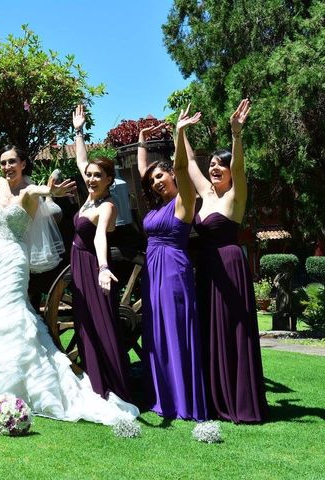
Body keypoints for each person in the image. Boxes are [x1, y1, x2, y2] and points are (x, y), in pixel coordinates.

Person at [0, 122, 139, 426]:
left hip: (15, 259)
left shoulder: (29, 190)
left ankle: (23, 379)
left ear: (23, 164)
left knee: (14, 313)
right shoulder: (1, 186)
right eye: (3, 163)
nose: (6, 167)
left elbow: (42, 190)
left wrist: (51, 190)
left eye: (12, 162)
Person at [183, 99, 268, 423]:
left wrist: (236, 135)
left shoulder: (236, 195)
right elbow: (189, 162)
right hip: (206, 269)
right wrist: (181, 131)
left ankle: (240, 400)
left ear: (231, 171)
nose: (214, 168)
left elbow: (241, 168)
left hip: (230, 268)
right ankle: (216, 400)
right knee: (209, 330)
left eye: (221, 165)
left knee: (232, 332)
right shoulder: (205, 194)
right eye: (213, 164)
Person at [137, 107, 208, 421]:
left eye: (160, 176)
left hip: (174, 271)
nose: (155, 182)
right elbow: (143, 172)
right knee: (157, 333)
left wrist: (179, 133)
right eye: (152, 180)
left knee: (176, 331)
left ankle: (181, 400)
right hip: (152, 274)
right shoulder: (157, 206)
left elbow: (181, 166)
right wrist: (141, 140)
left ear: (173, 177)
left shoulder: (184, 200)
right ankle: (162, 395)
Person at [70, 105, 132, 402]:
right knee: (85, 326)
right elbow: (82, 159)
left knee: (100, 324)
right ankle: (94, 381)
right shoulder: (89, 199)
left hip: (92, 266)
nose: (91, 179)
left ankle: (112, 386)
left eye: (98, 176)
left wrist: (104, 268)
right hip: (78, 265)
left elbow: (98, 237)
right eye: (89, 175)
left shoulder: (106, 206)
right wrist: (79, 131)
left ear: (109, 180)